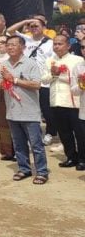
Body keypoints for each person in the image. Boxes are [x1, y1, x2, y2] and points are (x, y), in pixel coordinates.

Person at [0, 35, 50, 184]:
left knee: (36, 145)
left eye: (14, 44)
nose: (10, 47)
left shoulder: (30, 63)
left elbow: (36, 85)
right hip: (12, 112)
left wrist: (14, 79)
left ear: (23, 47)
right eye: (8, 45)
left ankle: (42, 171)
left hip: (29, 112)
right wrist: (1, 82)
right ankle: (24, 168)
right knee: (18, 144)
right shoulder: (3, 65)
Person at [7, 15, 54, 145]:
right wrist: (26, 21)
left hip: (43, 80)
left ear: (44, 27)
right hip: (26, 80)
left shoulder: (50, 43)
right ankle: (35, 133)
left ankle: (50, 132)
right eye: (31, 26)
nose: (33, 28)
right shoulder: (25, 39)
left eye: (36, 26)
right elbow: (10, 31)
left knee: (46, 109)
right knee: (31, 107)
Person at [42, 33, 85, 169]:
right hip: (56, 100)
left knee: (79, 132)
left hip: (74, 101)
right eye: (55, 44)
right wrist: (53, 74)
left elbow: (78, 80)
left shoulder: (77, 60)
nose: (57, 46)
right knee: (64, 132)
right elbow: (44, 79)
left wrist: (59, 75)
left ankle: (83, 159)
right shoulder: (49, 60)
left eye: (60, 44)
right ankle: (71, 157)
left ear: (68, 45)